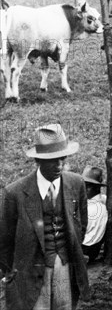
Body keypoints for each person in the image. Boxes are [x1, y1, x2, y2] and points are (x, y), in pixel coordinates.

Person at [0, 124, 90, 310]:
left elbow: (81, 223)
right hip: (30, 270)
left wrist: (65, 257)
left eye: (62, 159)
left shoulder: (76, 183)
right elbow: (4, 240)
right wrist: (13, 273)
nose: (59, 166)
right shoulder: (15, 193)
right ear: (38, 161)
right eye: (53, 161)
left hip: (64, 266)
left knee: (64, 306)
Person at [81, 166, 108, 264]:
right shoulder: (103, 200)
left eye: (85, 186)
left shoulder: (91, 209)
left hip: (85, 249)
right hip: (93, 249)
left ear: (91, 188)